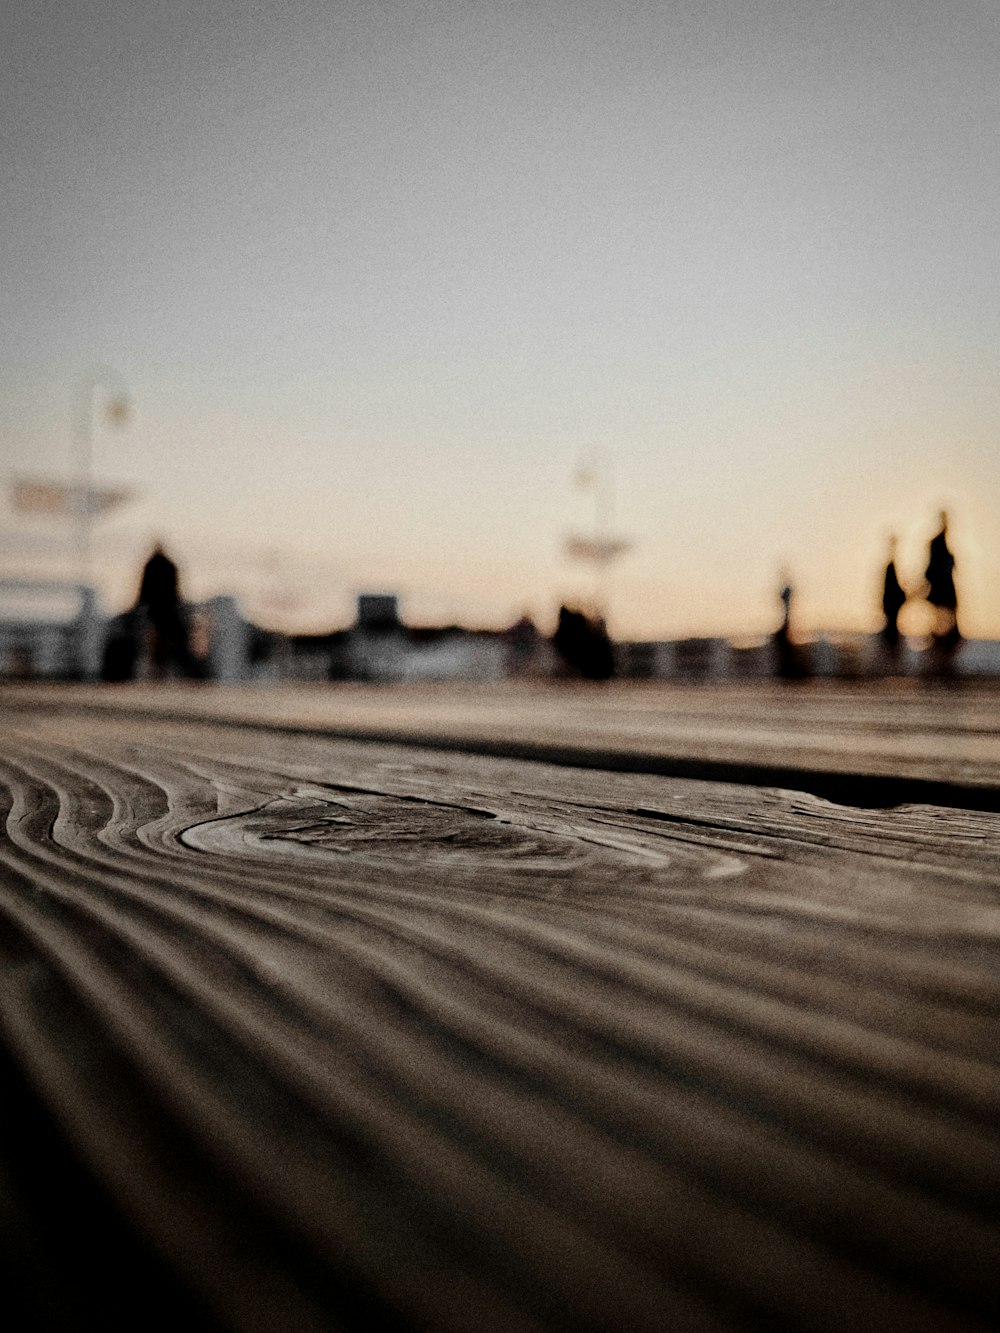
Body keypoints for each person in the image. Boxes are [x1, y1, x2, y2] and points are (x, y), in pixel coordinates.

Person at [136, 542, 194, 679]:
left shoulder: (151, 565)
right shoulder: (170, 565)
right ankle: (163, 668)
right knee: (168, 641)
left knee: (156, 640)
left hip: (156, 609)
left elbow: (144, 590)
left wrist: (140, 605)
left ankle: (157, 668)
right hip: (168, 608)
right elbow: (176, 589)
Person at [923, 511, 960, 674]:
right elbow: (932, 571)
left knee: (945, 628)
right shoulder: (937, 544)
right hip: (942, 594)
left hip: (944, 594)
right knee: (942, 627)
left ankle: (940, 661)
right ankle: (939, 661)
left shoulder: (941, 543)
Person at [880, 534, 907, 662]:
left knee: (891, 630)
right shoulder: (890, 567)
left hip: (891, 604)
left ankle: (891, 659)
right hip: (891, 604)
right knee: (891, 631)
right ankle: (891, 659)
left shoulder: (890, 566)